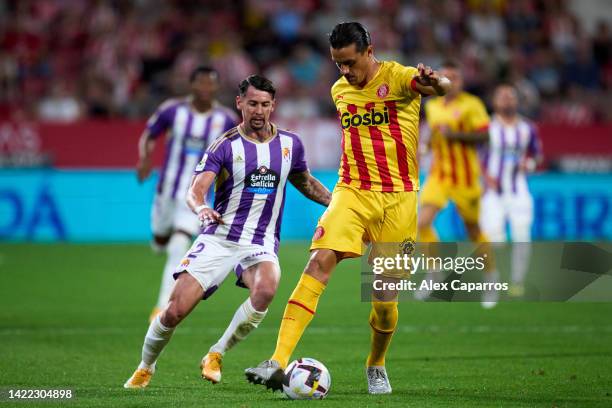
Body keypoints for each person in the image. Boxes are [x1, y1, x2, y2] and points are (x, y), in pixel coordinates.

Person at [245, 22, 450, 394]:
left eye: (351, 63)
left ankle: (376, 363)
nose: (346, 72)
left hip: (399, 198)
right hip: (352, 191)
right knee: (318, 262)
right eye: (339, 64)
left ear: (369, 51)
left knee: (385, 299)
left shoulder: (399, 77)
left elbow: (439, 88)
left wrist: (437, 82)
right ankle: (277, 360)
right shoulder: (340, 90)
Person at [124, 75, 331, 388]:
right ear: (240, 103)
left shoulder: (290, 144)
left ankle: (216, 353)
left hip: (259, 242)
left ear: (273, 105)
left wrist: (336, 204)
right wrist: (201, 208)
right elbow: (196, 191)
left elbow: (306, 182)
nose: (259, 110)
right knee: (174, 311)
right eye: (252, 103)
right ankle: (146, 366)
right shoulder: (225, 145)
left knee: (266, 288)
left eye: (265, 104)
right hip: (219, 239)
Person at [136, 66, 238, 322]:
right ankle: (160, 239)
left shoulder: (225, 119)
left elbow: (237, 152)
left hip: (197, 197)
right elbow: (150, 134)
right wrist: (145, 158)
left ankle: (161, 308)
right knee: (161, 242)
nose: (205, 89)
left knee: (178, 244)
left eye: (210, 84)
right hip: (166, 192)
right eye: (201, 84)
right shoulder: (172, 110)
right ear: (191, 85)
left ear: (216, 88)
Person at [416, 59, 499, 307]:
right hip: (439, 175)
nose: (451, 82)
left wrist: (457, 135)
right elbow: (432, 132)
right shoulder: (432, 105)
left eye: (456, 77)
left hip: (465, 179)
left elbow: (485, 136)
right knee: (422, 222)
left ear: (462, 81)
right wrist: (425, 145)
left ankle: (490, 277)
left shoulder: (472, 105)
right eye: (447, 77)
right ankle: (434, 273)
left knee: (473, 229)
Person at [480, 84, 542, 296]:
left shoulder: (527, 128)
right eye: (502, 96)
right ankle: (493, 277)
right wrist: (485, 177)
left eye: (511, 96)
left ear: (517, 101)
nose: (507, 100)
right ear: (495, 102)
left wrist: (529, 165)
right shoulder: (485, 127)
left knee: (522, 236)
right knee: (493, 240)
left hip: (519, 191)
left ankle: (517, 282)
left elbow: (537, 155)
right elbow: (475, 157)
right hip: (492, 193)